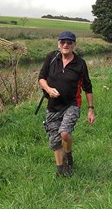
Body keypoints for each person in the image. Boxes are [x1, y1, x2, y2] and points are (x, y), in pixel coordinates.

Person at [38, 30, 95, 177]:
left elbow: (87, 88)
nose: (65, 45)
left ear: (74, 45)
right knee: (55, 140)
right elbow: (41, 78)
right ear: (58, 44)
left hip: (72, 104)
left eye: (69, 42)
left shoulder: (80, 64)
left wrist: (90, 109)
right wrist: (49, 90)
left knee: (64, 133)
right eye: (63, 42)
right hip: (53, 106)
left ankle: (68, 156)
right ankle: (60, 169)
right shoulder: (51, 57)